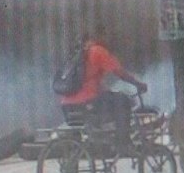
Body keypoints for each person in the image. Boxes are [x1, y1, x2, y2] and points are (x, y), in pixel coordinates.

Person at [60, 24, 148, 154]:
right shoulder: (97, 51)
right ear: (99, 35)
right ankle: (122, 142)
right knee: (123, 101)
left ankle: (71, 168)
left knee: (108, 99)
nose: (107, 39)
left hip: (67, 105)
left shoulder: (76, 53)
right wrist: (138, 84)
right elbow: (119, 72)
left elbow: (86, 80)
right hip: (87, 102)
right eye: (105, 35)